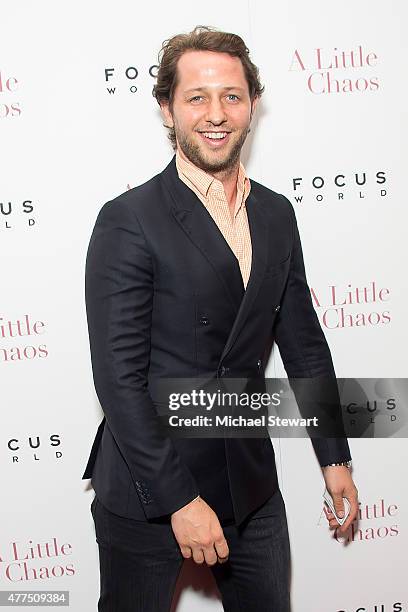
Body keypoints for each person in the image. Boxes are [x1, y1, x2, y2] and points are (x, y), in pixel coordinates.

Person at [82, 25, 358, 612]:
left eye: (231, 95)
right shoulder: (129, 220)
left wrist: (334, 456)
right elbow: (118, 381)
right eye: (197, 97)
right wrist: (180, 501)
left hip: (250, 483)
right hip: (149, 489)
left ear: (253, 105)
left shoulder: (277, 214)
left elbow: (305, 345)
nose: (216, 113)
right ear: (167, 108)